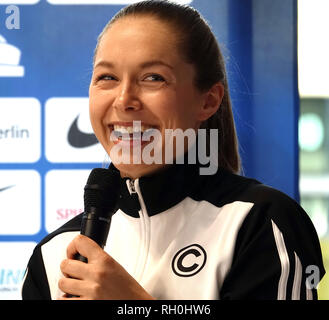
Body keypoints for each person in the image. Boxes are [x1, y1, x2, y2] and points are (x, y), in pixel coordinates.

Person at [22, 0, 325, 300]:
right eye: (108, 77)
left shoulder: (260, 222)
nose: (124, 99)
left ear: (208, 101)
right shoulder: (54, 254)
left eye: (153, 78)